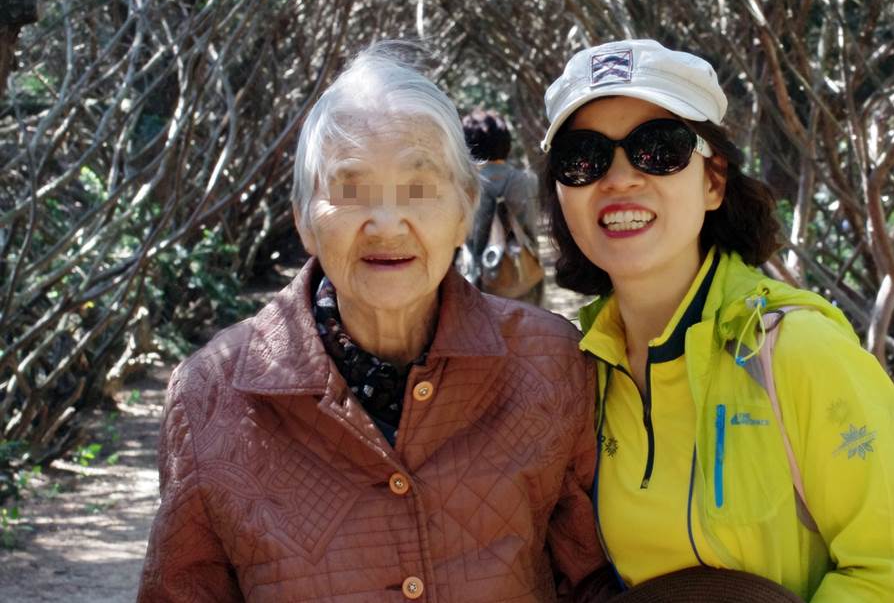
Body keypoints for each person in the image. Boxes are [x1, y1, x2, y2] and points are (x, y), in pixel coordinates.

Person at [138, 44, 615, 602]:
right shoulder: (209, 395)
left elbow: (592, 581)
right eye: (350, 189)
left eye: (419, 189)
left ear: (465, 210)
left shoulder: (553, 365)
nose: (387, 224)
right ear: (304, 219)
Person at [539, 39, 894, 601]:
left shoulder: (797, 350)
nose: (619, 179)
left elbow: (891, 573)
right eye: (582, 158)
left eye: (659, 148)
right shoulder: (577, 372)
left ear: (713, 181)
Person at [462, 108, 544, 304]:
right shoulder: (528, 181)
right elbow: (532, 230)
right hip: (526, 275)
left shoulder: (466, 187)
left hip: (481, 286)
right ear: (506, 142)